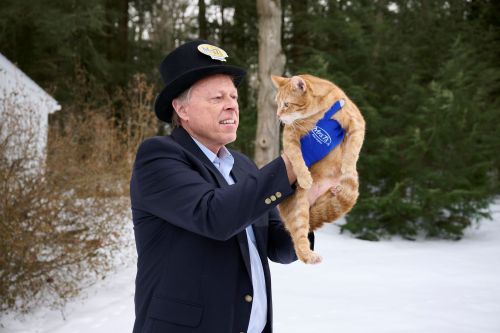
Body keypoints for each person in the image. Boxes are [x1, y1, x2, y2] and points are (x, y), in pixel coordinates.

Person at [130, 40, 337, 333]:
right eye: (217, 98)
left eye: (234, 97)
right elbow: (215, 215)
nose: (231, 104)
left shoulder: (243, 167)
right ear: (181, 109)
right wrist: (294, 161)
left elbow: (280, 249)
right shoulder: (158, 157)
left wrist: (310, 202)